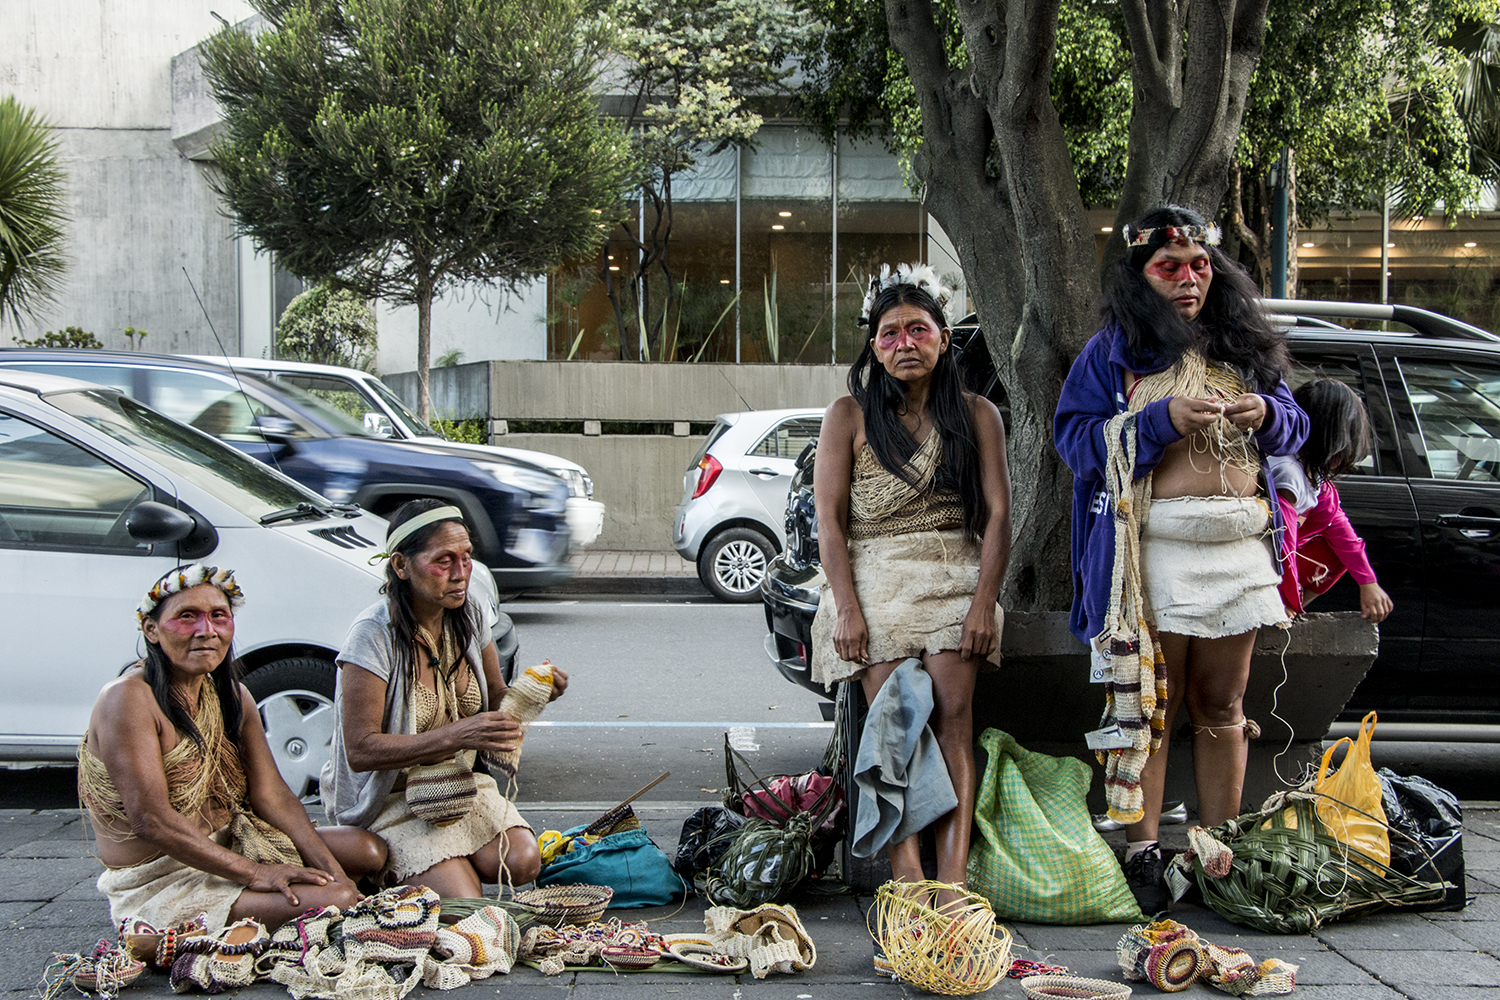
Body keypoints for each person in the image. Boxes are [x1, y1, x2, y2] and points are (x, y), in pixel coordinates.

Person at [1055, 205, 1308, 915]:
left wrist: (1268, 414)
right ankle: (1143, 855)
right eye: (1170, 267)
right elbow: (1074, 441)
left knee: (1223, 704)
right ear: (1140, 276)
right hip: (1152, 554)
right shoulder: (1111, 351)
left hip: (1236, 550)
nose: (1190, 278)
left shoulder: (1241, 347)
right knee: (1151, 709)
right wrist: (1159, 421)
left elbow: (1297, 425)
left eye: (1200, 265)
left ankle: (1218, 850)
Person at [811, 263, 1011, 912]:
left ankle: (951, 883)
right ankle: (906, 882)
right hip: (875, 579)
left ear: (943, 337)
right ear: (874, 346)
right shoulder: (847, 416)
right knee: (897, 722)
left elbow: (1000, 515)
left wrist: (985, 601)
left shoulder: (979, 415)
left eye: (917, 330)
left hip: (957, 573)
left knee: (954, 723)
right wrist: (846, 608)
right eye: (890, 333)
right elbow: (831, 524)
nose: (905, 343)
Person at [79, 564, 385, 936]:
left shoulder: (232, 695)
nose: (206, 631)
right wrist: (258, 873)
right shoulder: (127, 698)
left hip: (236, 843)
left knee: (369, 851)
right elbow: (151, 819)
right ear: (151, 630)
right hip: (163, 879)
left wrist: (334, 872)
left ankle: (303, 901)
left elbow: (271, 795)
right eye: (186, 617)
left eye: (218, 616)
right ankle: (158, 929)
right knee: (336, 901)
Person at [321, 499, 567, 898]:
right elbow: (361, 751)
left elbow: (496, 701)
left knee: (522, 861)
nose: (460, 574)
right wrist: (458, 735)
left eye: (467, 558)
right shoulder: (372, 635)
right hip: (390, 798)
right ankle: (384, 866)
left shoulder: (468, 612)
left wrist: (534, 692)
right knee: (465, 902)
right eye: (443, 561)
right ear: (401, 566)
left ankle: (440, 866)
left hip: (457, 784)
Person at [1269, 378, 1394, 623]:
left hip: (1284, 558)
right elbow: (1280, 544)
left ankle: (1285, 607)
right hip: (1267, 562)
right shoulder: (1288, 474)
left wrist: (1368, 582)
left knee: (1341, 553)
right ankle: (1279, 607)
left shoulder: (1316, 478)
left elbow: (1339, 528)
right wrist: (1288, 598)